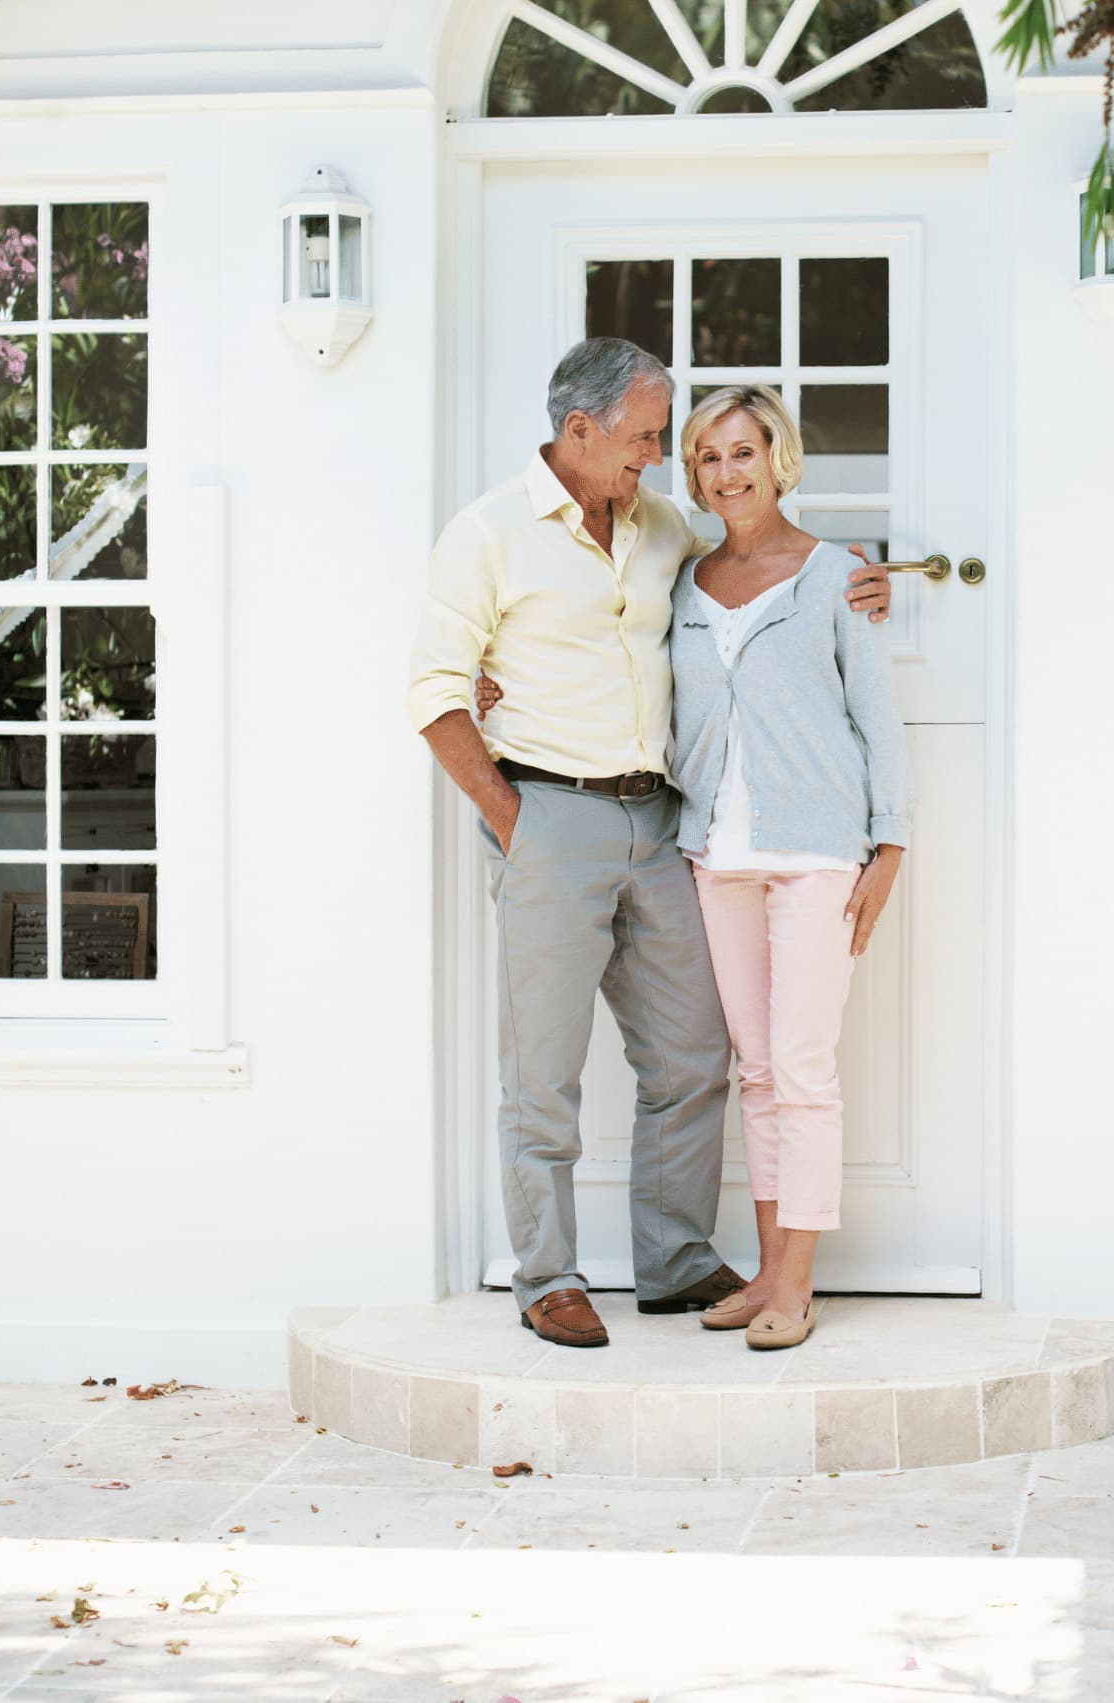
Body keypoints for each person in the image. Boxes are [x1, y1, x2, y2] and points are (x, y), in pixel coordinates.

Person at [405, 338, 889, 1350]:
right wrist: (514, 820)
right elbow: (437, 696)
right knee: (542, 1068)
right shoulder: (487, 533)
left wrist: (858, 584)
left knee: (692, 1051)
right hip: (549, 814)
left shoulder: (661, 527)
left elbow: (757, 564)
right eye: (644, 437)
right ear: (578, 430)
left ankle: (672, 1259)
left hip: (670, 820)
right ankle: (548, 1274)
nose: (661, 456)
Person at [666, 385, 909, 1350]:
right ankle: (767, 1269)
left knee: (802, 1068)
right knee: (758, 1068)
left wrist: (887, 845)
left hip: (815, 851)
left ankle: (795, 1285)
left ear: (779, 457)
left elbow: (878, 718)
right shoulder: (682, 584)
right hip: (715, 851)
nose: (726, 473)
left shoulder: (836, 576)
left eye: (741, 451)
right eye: (707, 458)